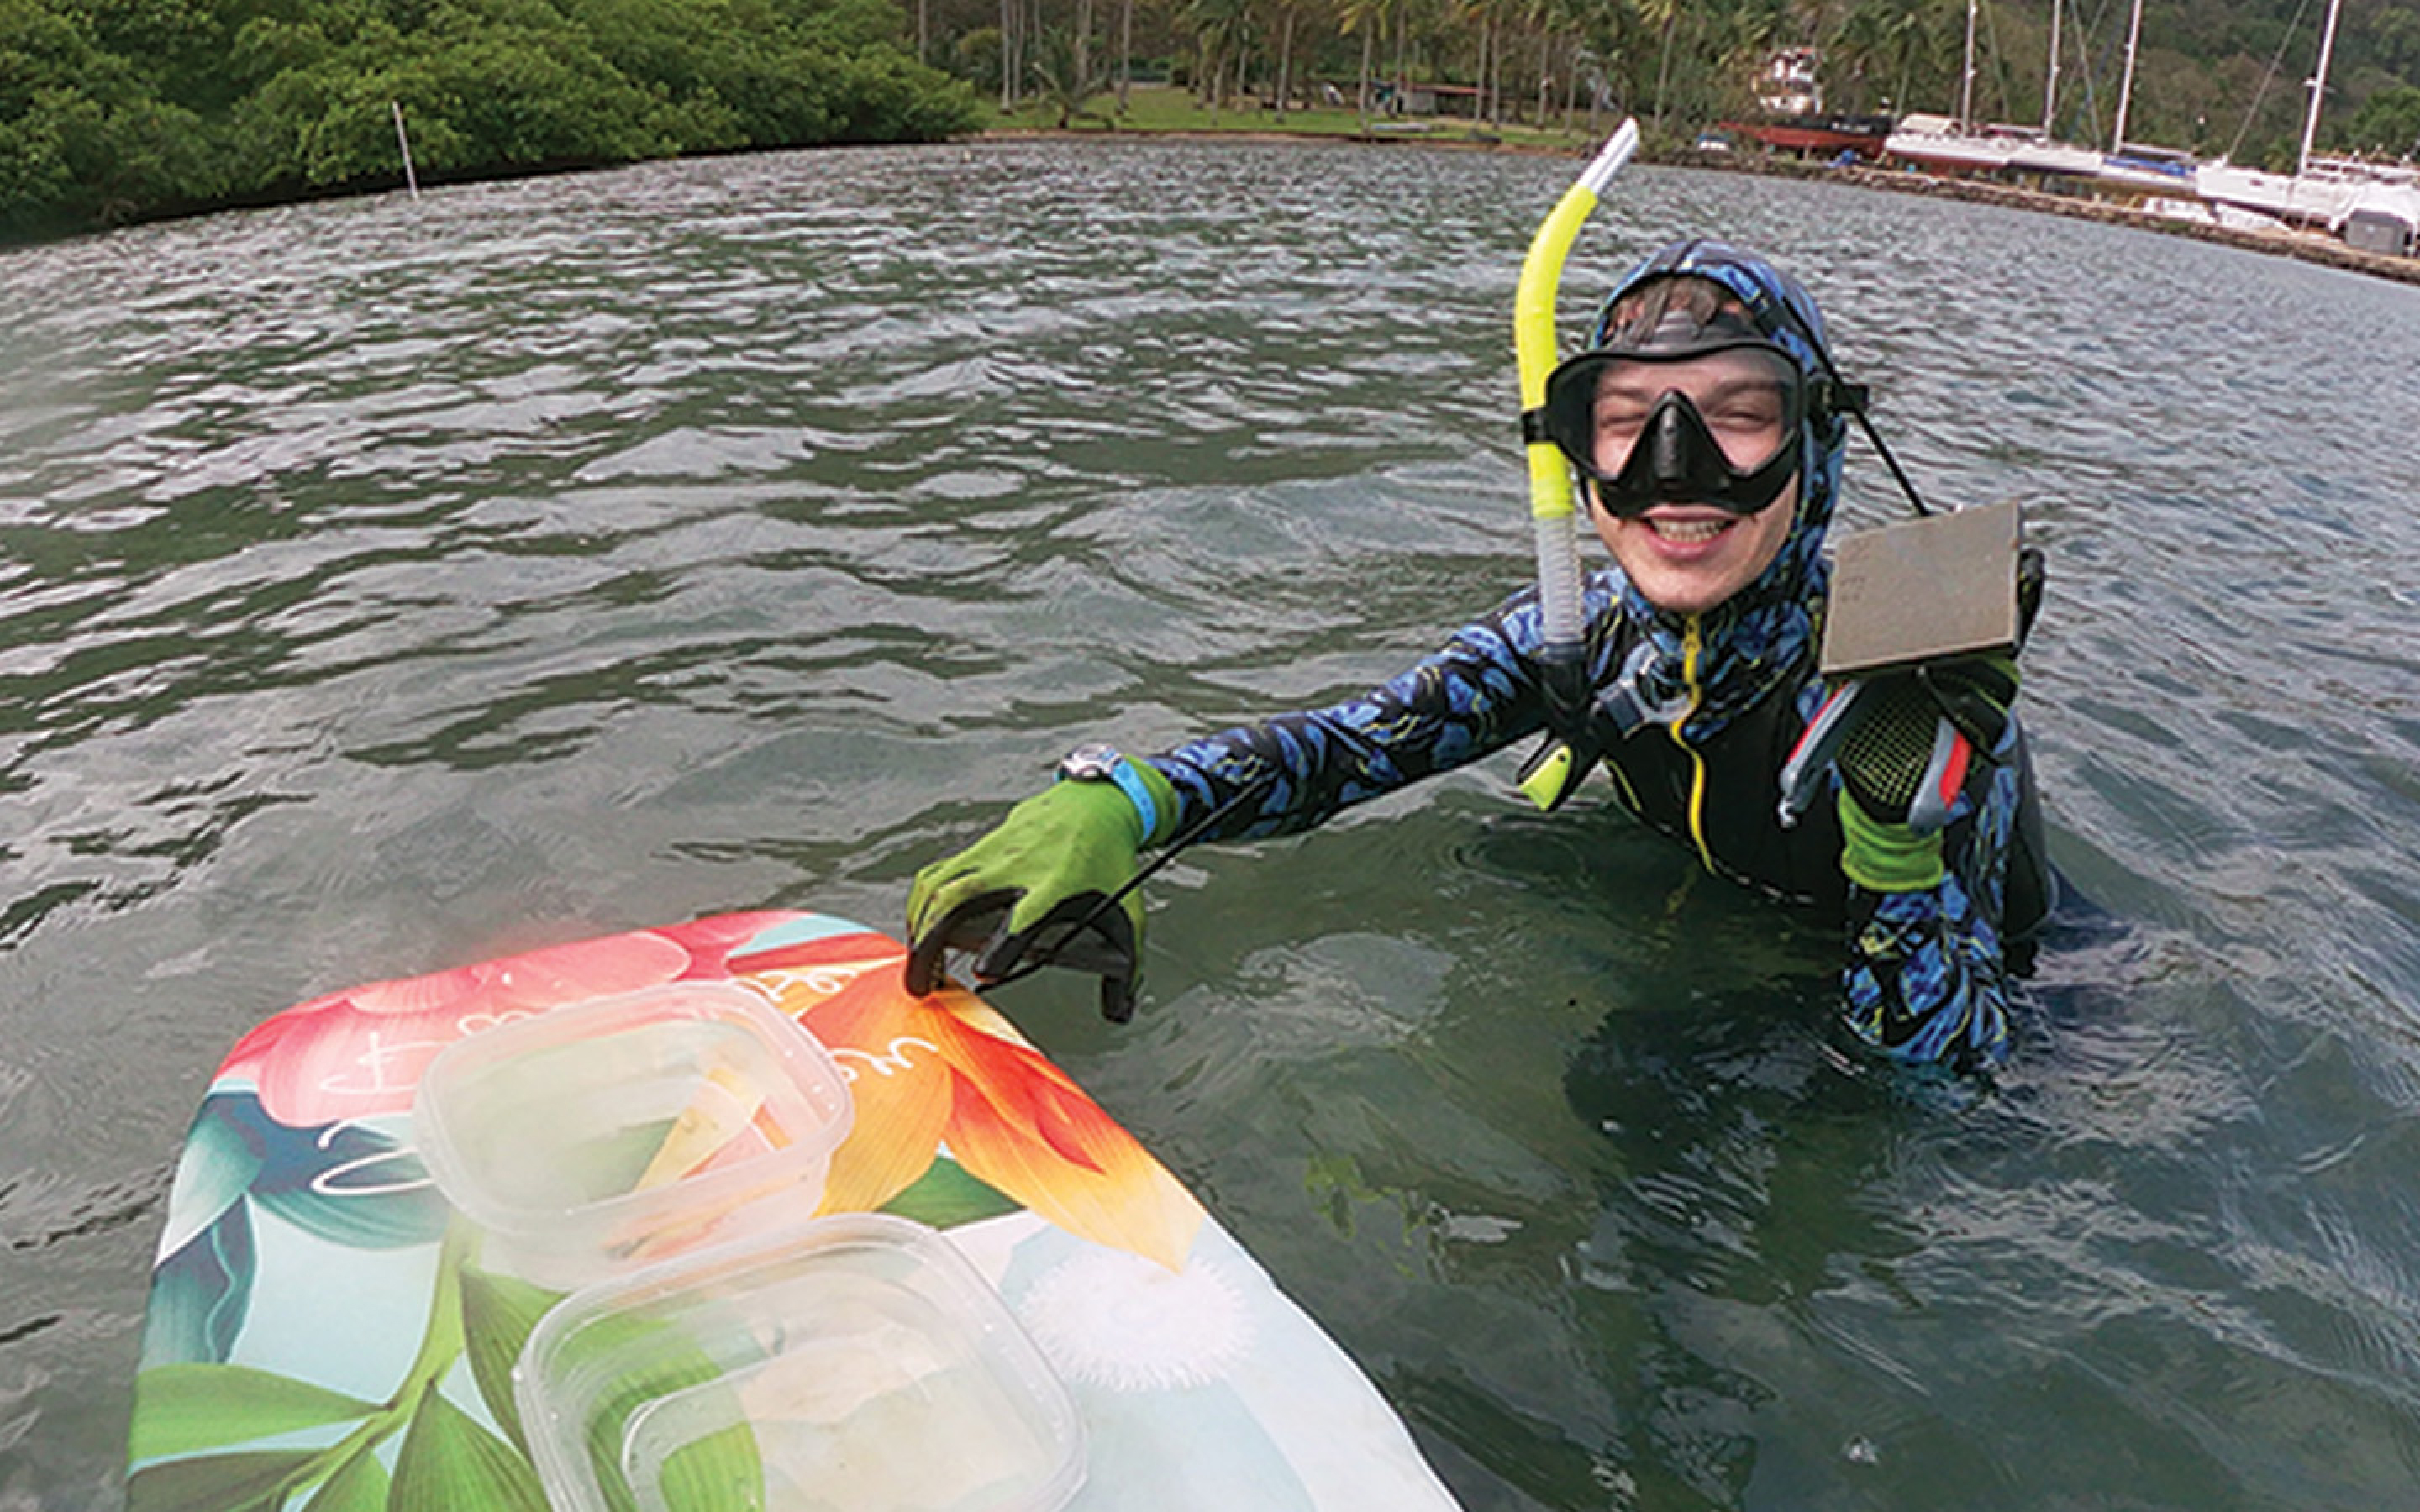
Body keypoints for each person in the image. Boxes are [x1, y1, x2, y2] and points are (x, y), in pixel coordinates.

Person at [905, 239, 2054, 1073]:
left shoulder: (1915, 698)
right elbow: (1346, 751)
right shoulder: (1581, 633)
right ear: (1573, 452)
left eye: (1737, 413)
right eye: (1627, 418)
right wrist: (1132, 800)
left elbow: (1943, 1074)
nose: (1675, 467)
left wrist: (1900, 859)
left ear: (1819, 445)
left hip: (2030, 1009)